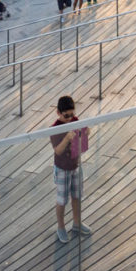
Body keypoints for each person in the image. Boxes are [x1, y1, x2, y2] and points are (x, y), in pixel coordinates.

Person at [50, 96, 92, 243]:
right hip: (62, 168)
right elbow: (58, 151)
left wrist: (86, 133)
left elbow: (82, 138)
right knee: (62, 200)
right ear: (58, 113)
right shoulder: (55, 128)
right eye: (66, 115)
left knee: (77, 195)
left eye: (71, 115)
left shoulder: (75, 120)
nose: (69, 119)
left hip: (75, 165)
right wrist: (66, 139)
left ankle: (77, 223)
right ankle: (61, 227)